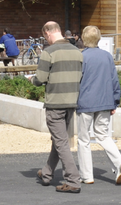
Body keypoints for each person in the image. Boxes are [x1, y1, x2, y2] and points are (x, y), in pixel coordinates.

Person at [32, 21, 84, 193]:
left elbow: (40, 79)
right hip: (72, 101)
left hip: (55, 102)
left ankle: (73, 180)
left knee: (61, 142)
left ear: (47, 33)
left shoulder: (49, 52)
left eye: (44, 36)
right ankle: (47, 173)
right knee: (59, 140)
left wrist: (31, 79)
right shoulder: (77, 51)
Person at [76, 25, 121, 186]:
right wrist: (115, 101)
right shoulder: (107, 56)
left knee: (83, 140)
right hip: (105, 101)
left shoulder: (81, 57)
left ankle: (87, 175)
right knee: (103, 135)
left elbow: (76, 81)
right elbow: (114, 80)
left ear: (83, 39)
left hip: (85, 102)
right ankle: (119, 162)